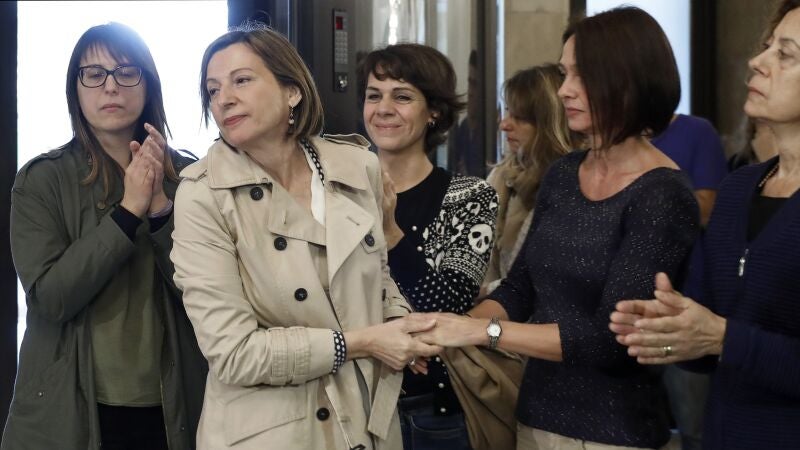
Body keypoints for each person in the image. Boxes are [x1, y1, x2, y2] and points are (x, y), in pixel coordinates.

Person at [412, 7, 700, 449]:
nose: (564, 90)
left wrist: (480, 332)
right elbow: (519, 290)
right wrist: (444, 330)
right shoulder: (565, 173)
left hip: (612, 433)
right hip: (534, 418)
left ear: (628, 80)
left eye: (582, 75)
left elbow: (611, 342)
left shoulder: (661, 194)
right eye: (565, 74)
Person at [170, 24, 441, 450]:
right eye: (213, 89)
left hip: (365, 420)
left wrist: (397, 323)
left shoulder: (357, 166)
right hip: (269, 433)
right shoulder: (202, 194)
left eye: (242, 80)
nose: (224, 99)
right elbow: (233, 354)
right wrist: (362, 342)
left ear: (292, 91)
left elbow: (378, 274)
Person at [2, 22, 207, 450]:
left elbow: (208, 296)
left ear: (148, 86)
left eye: (126, 72)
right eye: (94, 74)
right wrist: (128, 213)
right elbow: (52, 299)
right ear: (75, 89)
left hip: (177, 406)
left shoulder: (190, 177)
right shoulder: (41, 180)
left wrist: (160, 211)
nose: (111, 86)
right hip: (72, 407)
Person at [611, 1, 800, 448]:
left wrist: (722, 337)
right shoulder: (738, 189)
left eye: (785, 54)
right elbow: (706, 348)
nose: (757, 61)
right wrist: (671, 327)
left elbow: (724, 338)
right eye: (767, 46)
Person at [356, 43, 498, 450]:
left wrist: (391, 232)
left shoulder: (470, 196)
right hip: (349, 396)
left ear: (433, 110)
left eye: (402, 97)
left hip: (429, 411)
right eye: (374, 95)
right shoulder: (337, 191)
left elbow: (450, 307)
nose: (383, 109)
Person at [649, 113, 728, 450]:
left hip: (685, 303)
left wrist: (635, 200)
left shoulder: (696, 132)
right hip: (626, 310)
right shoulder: (609, 137)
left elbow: (707, 209)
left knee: (695, 430)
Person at [482, 64, 572, 294]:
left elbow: (545, 277)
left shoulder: (573, 183)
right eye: (507, 111)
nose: (504, 125)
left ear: (549, 124)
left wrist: (484, 293)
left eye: (519, 118)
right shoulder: (502, 176)